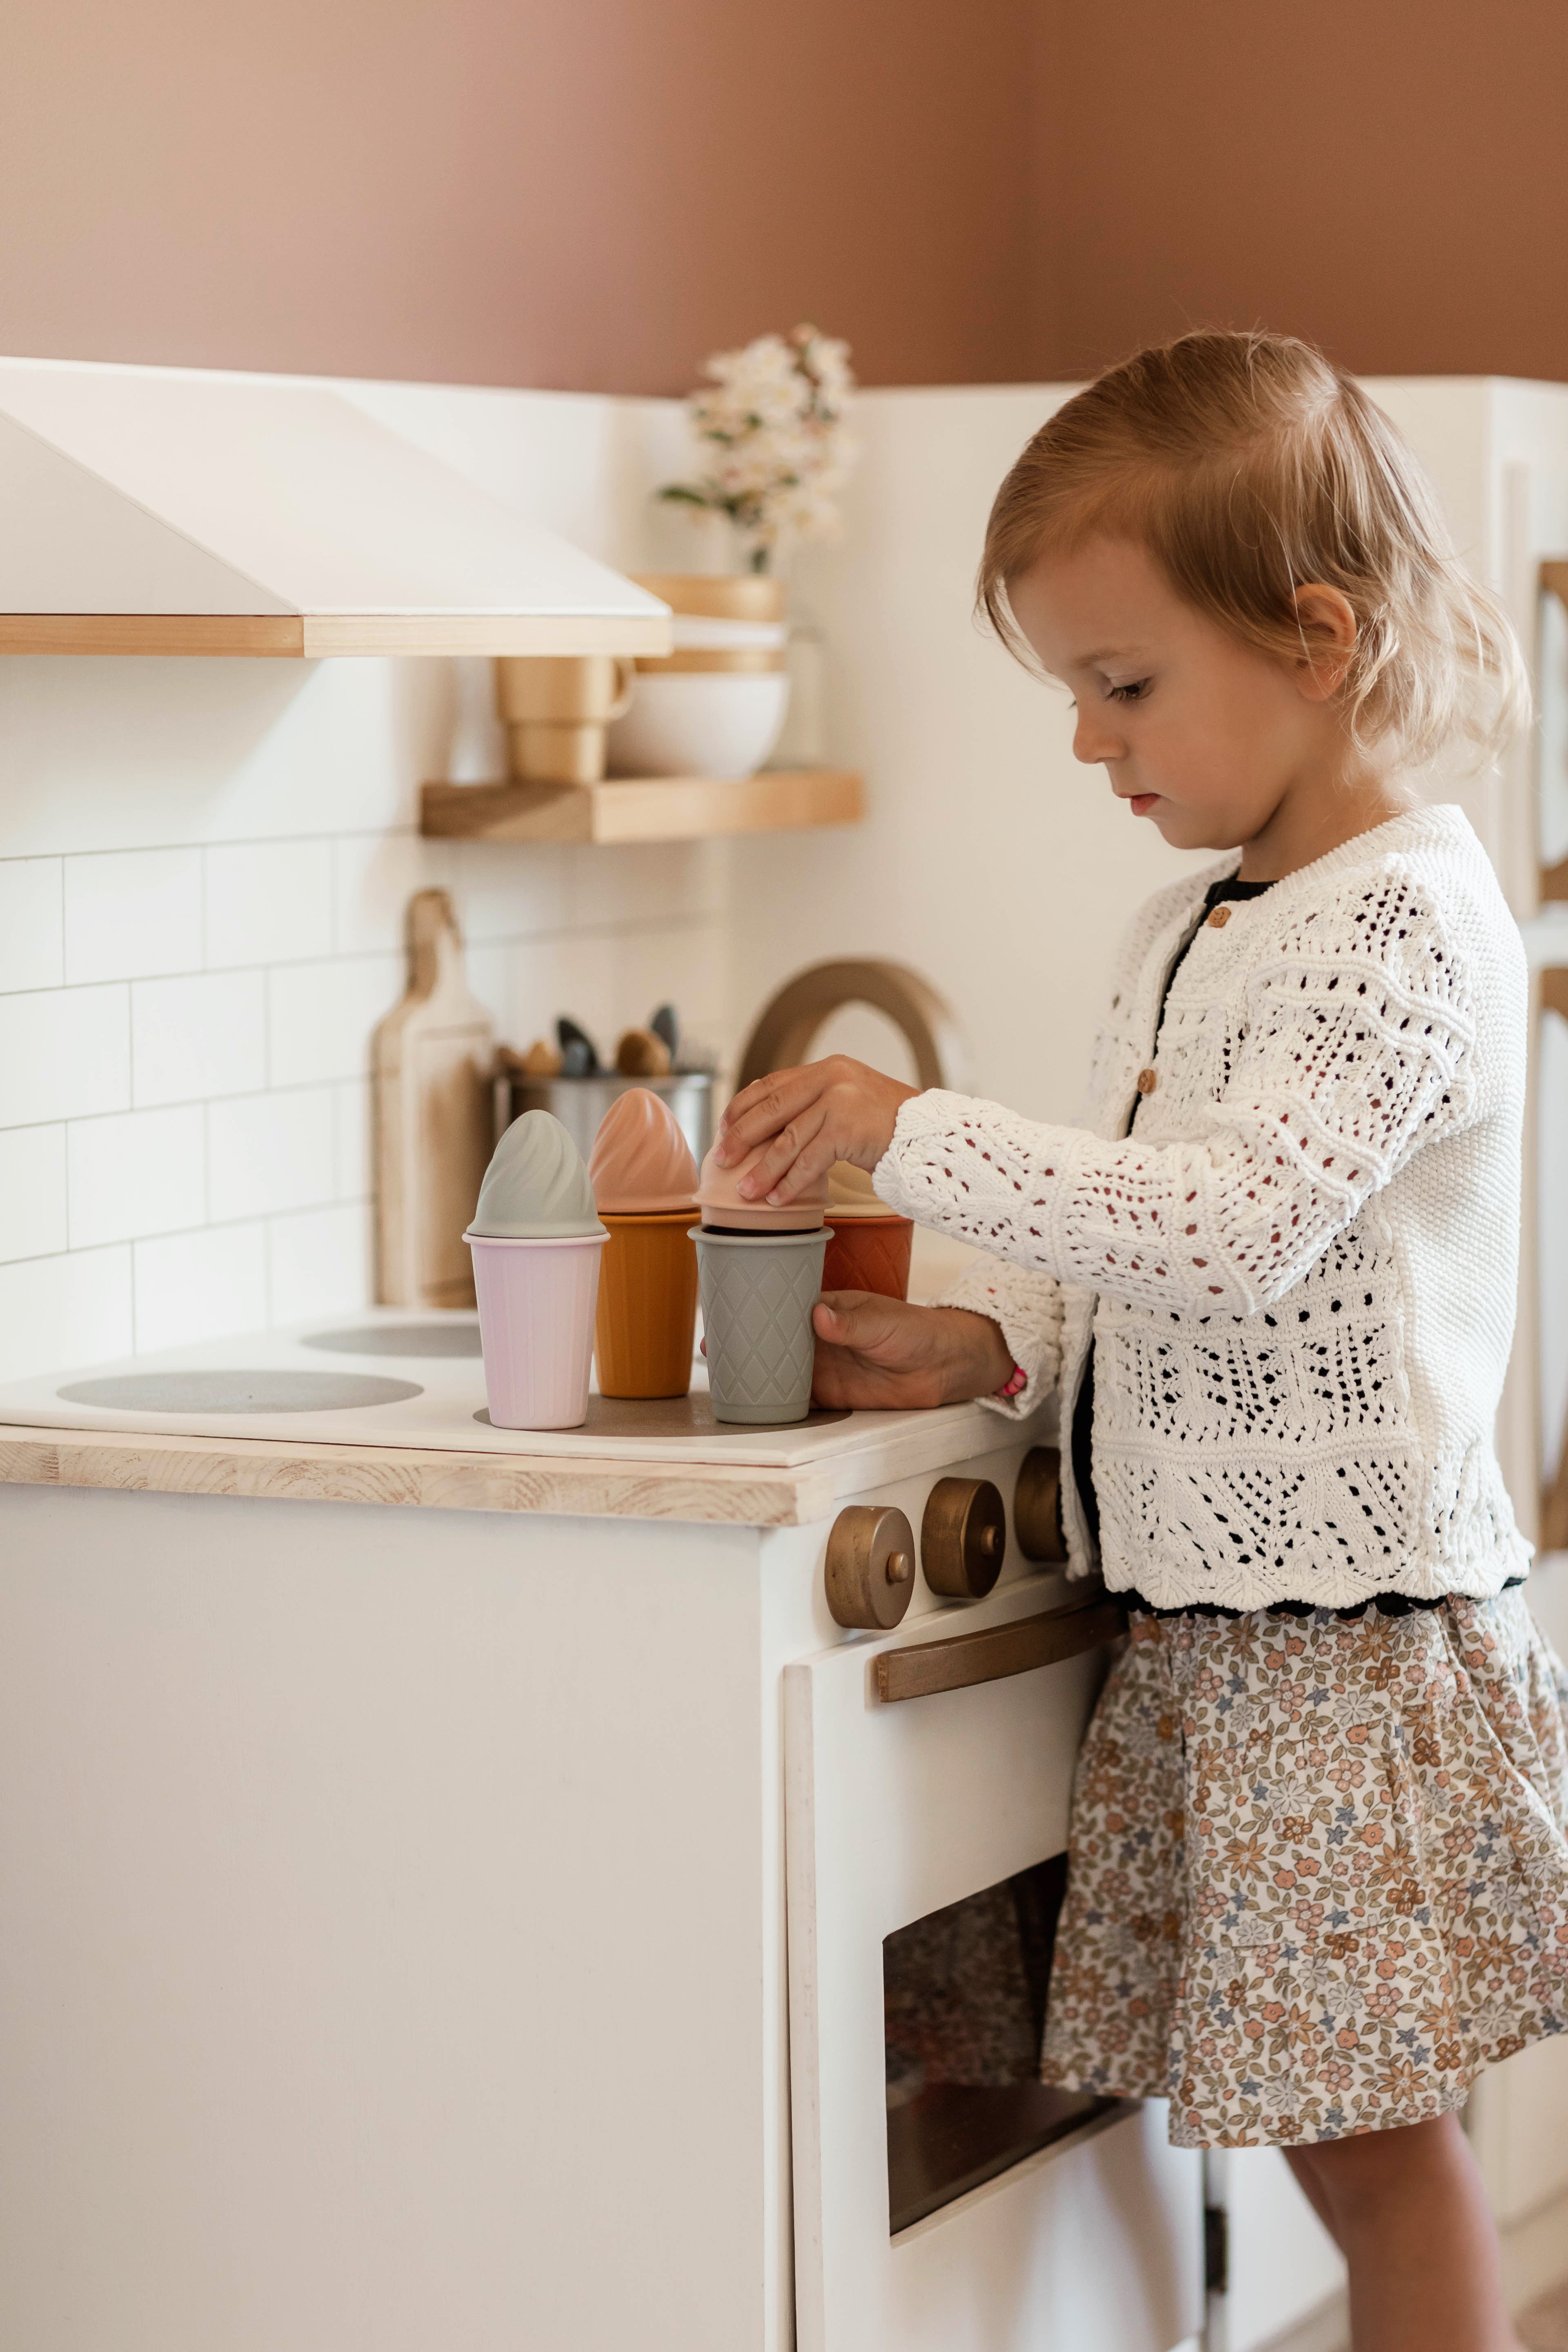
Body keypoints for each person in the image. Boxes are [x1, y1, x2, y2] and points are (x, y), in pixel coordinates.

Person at [713, 331, 1568, 2352]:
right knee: (1323, 2136)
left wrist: (909, 1130)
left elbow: (1244, 1223)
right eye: (1073, 695)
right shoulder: (1199, 919)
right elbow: (1129, 1256)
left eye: (1124, 684)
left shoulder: (1407, 918)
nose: (1096, 745)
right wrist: (984, 1351)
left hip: (1341, 1646)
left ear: (1318, 636)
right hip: (1225, 1636)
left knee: (1374, 2154)